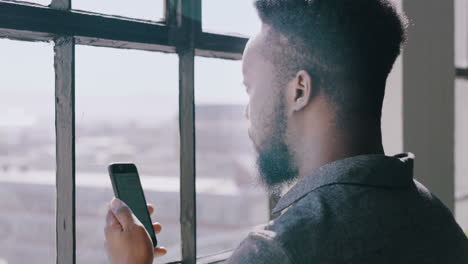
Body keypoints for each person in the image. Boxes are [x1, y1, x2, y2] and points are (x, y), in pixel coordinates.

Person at [104, 0, 468, 263]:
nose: (247, 110)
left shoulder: (280, 249)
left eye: (250, 87)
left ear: (299, 90)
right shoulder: (436, 217)